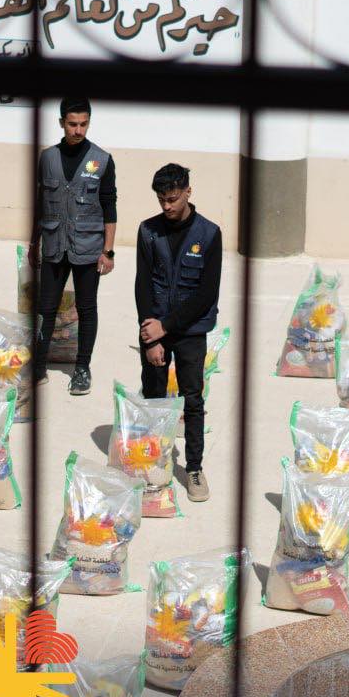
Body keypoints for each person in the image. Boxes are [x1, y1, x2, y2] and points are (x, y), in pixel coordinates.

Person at [135, 164, 222, 503]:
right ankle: (154, 462)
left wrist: (167, 326)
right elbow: (143, 285)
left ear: (188, 191)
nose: (167, 206)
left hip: (190, 331)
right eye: (161, 200)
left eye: (172, 199)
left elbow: (206, 293)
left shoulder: (209, 234)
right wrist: (151, 336)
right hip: (154, 328)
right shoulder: (148, 231)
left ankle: (195, 468)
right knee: (154, 399)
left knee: (193, 399)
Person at [28, 97, 118, 396]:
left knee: (87, 307)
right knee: (45, 308)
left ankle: (82, 368)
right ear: (61, 123)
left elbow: (109, 206)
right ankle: (38, 367)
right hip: (54, 244)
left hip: (88, 246)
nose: (78, 130)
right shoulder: (47, 158)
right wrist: (34, 242)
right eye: (72, 124)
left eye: (83, 124)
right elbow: (39, 204)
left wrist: (108, 251)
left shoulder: (102, 159)